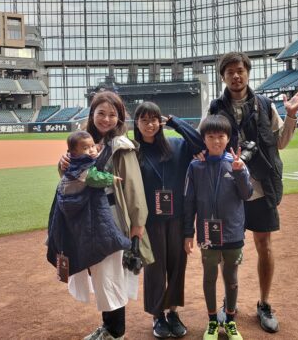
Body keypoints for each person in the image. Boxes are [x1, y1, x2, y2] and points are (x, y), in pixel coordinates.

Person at [208, 52, 298, 334]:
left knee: (264, 246)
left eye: (240, 70)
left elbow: (280, 142)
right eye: (230, 72)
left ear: (247, 73)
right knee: (230, 252)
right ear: (224, 77)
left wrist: (291, 115)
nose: (236, 76)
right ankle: (229, 302)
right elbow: (209, 144)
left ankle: (264, 303)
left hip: (262, 188)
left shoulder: (265, 105)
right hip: (229, 191)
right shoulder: (215, 108)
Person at [58, 91, 154, 340]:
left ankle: (116, 332)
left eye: (113, 114)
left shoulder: (122, 146)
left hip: (113, 219)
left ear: (120, 118)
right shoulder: (83, 144)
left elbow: (134, 187)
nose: (106, 119)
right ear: (92, 114)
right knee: (100, 274)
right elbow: (72, 179)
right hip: (89, 220)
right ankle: (108, 326)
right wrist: (63, 164)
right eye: (101, 113)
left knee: (110, 276)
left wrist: (138, 224)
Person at [133, 101, 204, 338]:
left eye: (154, 119)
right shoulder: (134, 151)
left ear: (160, 121)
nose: (150, 124)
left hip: (177, 218)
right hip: (150, 222)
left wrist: (175, 122)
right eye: (144, 120)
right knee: (155, 269)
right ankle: (157, 316)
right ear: (137, 123)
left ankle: (173, 312)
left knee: (177, 267)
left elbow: (199, 142)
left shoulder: (176, 145)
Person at [184, 115, 253, 340]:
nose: (216, 141)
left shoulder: (236, 163)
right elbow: (189, 202)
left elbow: (247, 194)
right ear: (203, 139)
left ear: (228, 138)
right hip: (207, 233)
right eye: (211, 137)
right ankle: (213, 321)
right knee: (209, 276)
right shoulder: (195, 166)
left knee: (231, 277)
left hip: (232, 231)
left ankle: (231, 321)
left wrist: (239, 171)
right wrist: (188, 232)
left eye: (221, 136)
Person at [46, 131, 130, 279]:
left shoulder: (77, 160)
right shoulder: (80, 165)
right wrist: (112, 178)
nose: (91, 150)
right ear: (73, 152)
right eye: (85, 148)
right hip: (73, 200)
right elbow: (93, 177)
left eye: (92, 146)